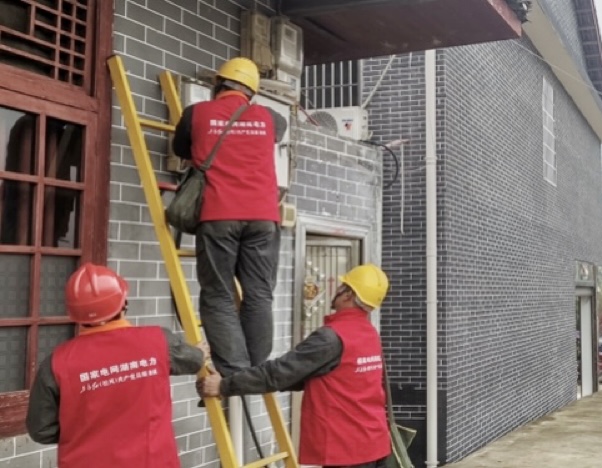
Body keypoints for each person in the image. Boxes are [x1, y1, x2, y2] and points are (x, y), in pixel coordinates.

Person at [197, 264, 391, 468]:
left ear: (348, 295)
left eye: (342, 286)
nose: (337, 289)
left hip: (346, 451)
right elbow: (308, 376)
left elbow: (280, 373)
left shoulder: (331, 337)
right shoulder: (369, 334)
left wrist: (224, 385)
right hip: (375, 444)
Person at [172, 57, 289, 376]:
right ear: (251, 92)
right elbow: (276, 131)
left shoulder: (196, 114)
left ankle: (235, 371)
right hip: (264, 217)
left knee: (219, 293)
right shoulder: (272, 118)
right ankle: (255, 366)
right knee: (260, 293)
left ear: (217, 84)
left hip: (218, 213)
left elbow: (181, 147)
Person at [26, 263, 207, 467]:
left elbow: (41, 429)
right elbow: (194, 361)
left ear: (74, 314)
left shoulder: (56, 362)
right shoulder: (159, 341)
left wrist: (83, 430)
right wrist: (201, 351)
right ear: (124, 303)